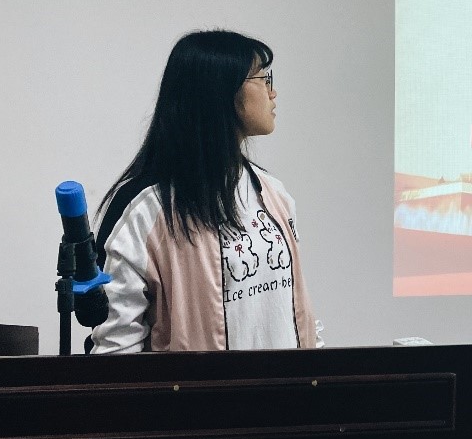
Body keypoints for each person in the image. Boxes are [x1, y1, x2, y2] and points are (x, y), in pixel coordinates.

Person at [89, 29, 323, 353]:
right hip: (198, 389)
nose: (273, 93)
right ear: (222, 91)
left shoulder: (274, 194)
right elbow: (117, 348)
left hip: (287, 387)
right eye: (263, 78)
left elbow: (296, 311)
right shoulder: (146, 209)